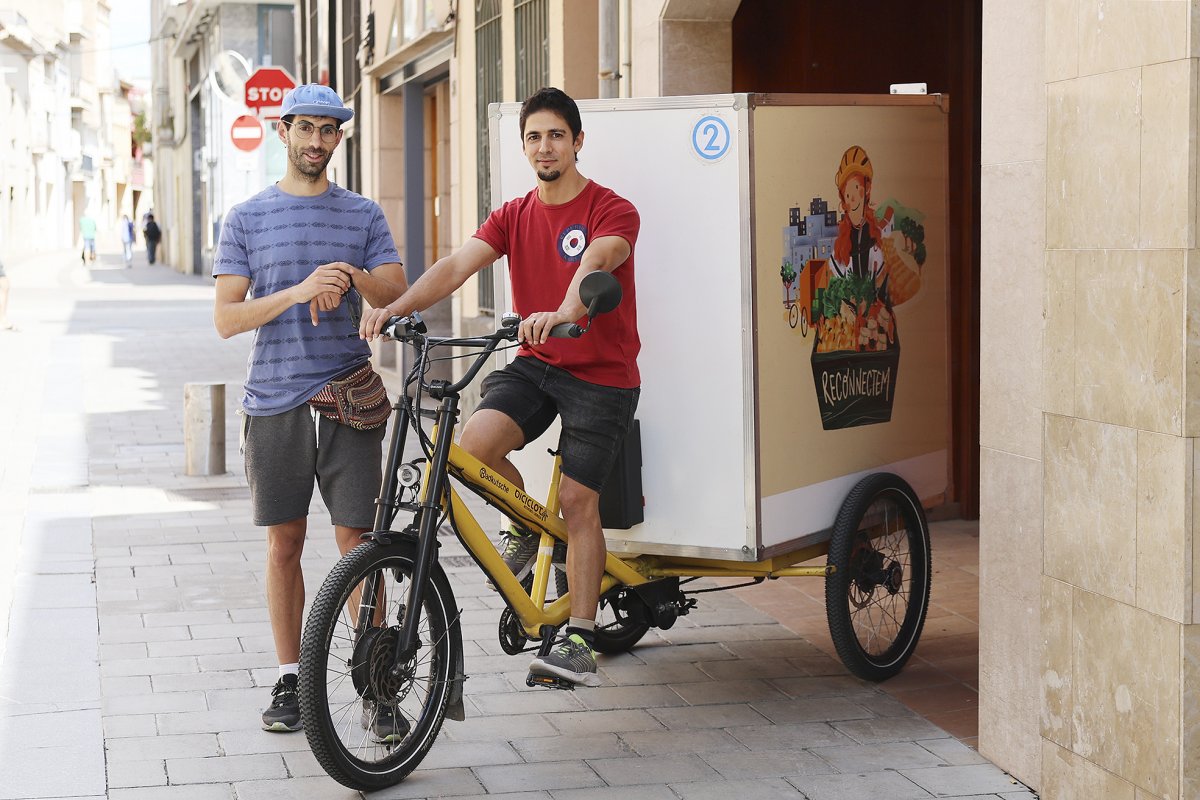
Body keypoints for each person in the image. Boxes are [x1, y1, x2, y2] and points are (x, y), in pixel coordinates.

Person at [360, 87, 640, 688]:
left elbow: (600, 257)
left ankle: (582, 639)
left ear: (577, 142)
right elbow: (457, 266)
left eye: (557, 135)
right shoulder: (514, 214)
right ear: (524, 147)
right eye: (535, 137)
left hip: (601, 374)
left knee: (577, 501)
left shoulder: (610, 208)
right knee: (472, 448)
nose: (546, 146)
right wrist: (397, 309)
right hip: (537, 363)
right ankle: (527, 529)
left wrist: (566, 309)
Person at [212, 84, 409, 737]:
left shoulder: (361, 215)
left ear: (339, 139)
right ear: (284, 130)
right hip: (274, 401)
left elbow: (396, 288)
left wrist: (349, 276)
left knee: (359, 543)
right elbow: (226, 318)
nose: (316, 141)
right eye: (306, 129)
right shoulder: (245, 217)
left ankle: (378, 682)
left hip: (349, 399)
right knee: (284, 544)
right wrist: (298, 291)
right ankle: (291, 676)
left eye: (328, 131)